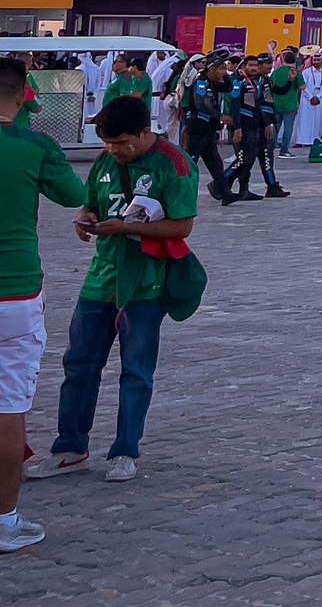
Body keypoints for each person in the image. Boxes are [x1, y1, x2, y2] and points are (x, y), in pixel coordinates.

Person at [24, 96, 197, 486]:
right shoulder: (105, 162)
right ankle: (70, 446)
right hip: (99, 280)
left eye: (121, 143)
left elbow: (182, 225)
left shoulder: (173, 163)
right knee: (79, 365)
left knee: (136, 371)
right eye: (106, 142)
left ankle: (125, 450)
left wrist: (126, 228)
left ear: (142, 132)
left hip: (145, 284)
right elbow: (90, 205)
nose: (113, 150)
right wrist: (85, 218)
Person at [0, 58, 88, 550]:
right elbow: (74, 193)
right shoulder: (34, 145)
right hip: (14, 295)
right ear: (22, 97)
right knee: (8, 412)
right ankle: (4, 521)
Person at [227, 54, 286, 200]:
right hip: (245, 126)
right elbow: (235, 106)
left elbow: (268, 100)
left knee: (263, 156)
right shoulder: (240, 81)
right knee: (244, 159)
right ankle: (222, 184)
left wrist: (267, 122)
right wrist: (237, 127)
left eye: (270, 63)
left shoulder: (262, 81)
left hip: (258, 125)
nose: (269, 66)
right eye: (266, 64)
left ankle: (270, 186)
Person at [179, 59, 235, 205]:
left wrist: (225, 76)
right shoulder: (201, 82)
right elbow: (200, 104)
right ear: (211, 69)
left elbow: (228, 88)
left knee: (215, 163)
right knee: (191, 162)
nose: (224, 72)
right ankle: (181, 193)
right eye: (221, 69)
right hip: (198, 127)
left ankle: (224, 193)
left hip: (209, 129)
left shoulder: (214, 82)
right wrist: (220, 116)